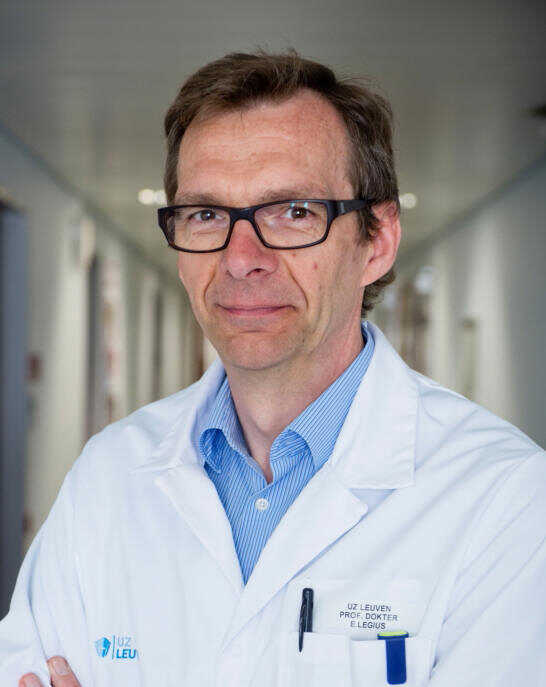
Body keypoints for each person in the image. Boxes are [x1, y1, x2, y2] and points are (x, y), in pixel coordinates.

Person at [1, 50, 545, 687]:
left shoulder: (505, 497)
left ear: (377, 241)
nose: (241, 258)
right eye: (206, 215)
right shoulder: (108, 474)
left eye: (292, 211)